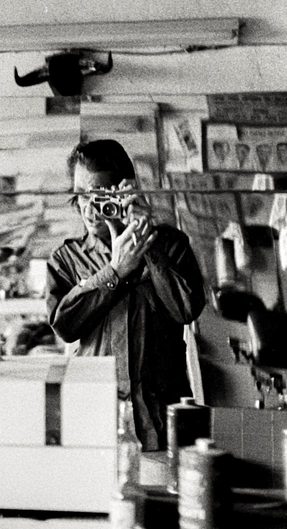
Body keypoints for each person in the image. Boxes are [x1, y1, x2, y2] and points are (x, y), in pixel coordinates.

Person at [46, 140, 206, 451]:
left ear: (123, 193)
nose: (90, 208)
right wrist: (115, 271)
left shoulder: (169, 245)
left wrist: (147, 242)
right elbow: (64, 325)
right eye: (80, 195)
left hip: (162, 418)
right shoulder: (65, 259)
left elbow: (186, 309)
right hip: (94, 416)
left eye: (100, 196)